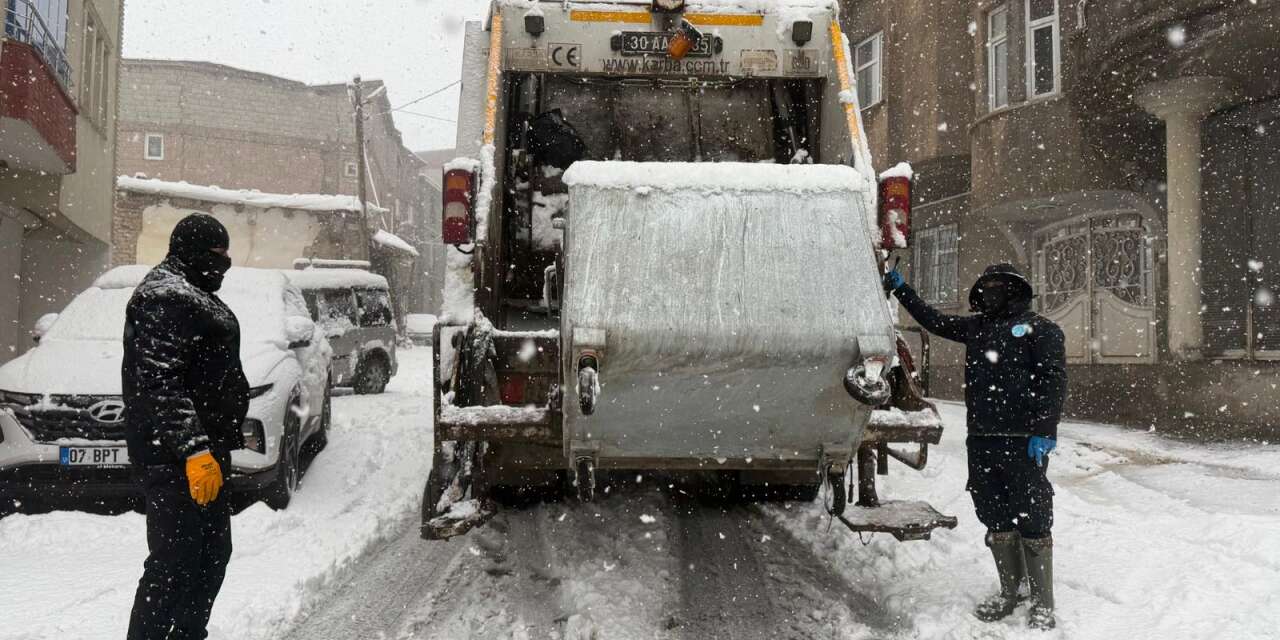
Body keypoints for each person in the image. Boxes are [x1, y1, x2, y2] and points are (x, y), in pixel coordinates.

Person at [884, 262, 1066, 631]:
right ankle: (1010, 590)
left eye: (1001, 286)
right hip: (981, 439)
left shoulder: (1041, 330)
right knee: (993, 511)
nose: (993, 291)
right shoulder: (976, 328)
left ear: (1016, 290)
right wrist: (901, 289)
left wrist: (1045, 430)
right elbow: (933, 320)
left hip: (1023, 440)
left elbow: (1053, 381)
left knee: (1032, 512)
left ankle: (1043, 601)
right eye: (989, 286)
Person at [124, 214, 249, 640]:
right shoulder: (165, 296)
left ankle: (187, 635)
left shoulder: (191, 292)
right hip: (174, 458)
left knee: (211, 555)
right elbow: (160, 380)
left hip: (203, 455)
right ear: (193, 252)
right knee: (174, 564)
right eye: (218, 255)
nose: (224, 264)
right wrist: (193, 449)